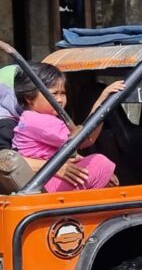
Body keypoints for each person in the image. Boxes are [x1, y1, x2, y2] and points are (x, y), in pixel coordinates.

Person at [12, 63, 121, 191]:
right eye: (53, 94)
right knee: (100, 162)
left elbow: (85, 139)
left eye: (62, 93)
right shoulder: (43, 122)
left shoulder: (28, 118)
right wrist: (101, 102)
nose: (60, 100)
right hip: (46, 183)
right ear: (29, 98)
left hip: (40, 180)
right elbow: (84, 139)